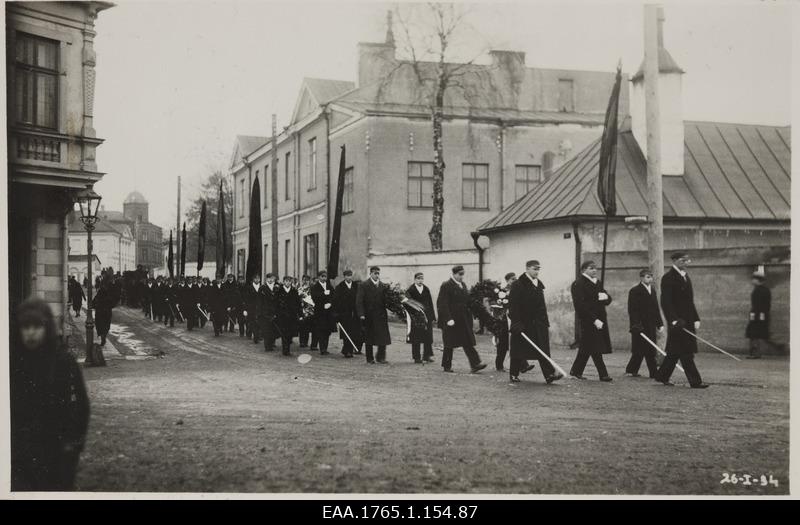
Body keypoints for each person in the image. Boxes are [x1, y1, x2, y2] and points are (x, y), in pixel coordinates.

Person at [10, 298, 90, 491]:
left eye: (37, 326)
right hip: (20, 452)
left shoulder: (63, 361)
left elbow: (79, 405)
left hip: (56, 450)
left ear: (47, 328)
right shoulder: (12, 362)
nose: (31, 333)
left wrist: (73, 442)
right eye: (25, 326)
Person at [655, 252, 709, 388]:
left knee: (674, 352)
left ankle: (662, 376)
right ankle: (695, 382)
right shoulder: (668, 278)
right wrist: (673, 320)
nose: (686, 262)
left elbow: (690, 301)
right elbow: (666, 302)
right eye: (683, 260)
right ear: (674, 261)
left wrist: (696, 318)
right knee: (686, 353)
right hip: (677, 322)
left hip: (688, 321)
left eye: (687, 260)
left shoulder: (686, 277)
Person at [507, 261, 562, 384]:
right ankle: (513, 374)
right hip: (523, 324)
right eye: (534, 269)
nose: (537, 271)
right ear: (527, 269)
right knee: (518, 350)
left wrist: (544, 322)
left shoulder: (538, 285)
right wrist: (516, 323)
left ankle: (549, 375)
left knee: (542, 349)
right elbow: (513, 306)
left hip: (538, 324)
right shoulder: (518, 284)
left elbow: (542, 306)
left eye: (538, 269)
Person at [436, 266, 488, 374]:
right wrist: (448, 318)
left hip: (463, 319)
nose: (461, 276)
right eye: (459, 274)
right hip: (451, 320)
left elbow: (467, 300)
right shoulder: (446, 285)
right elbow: (442, 303)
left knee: (467, 342)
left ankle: (475, 364)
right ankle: (446, 365)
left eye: (462, 274)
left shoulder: (463, 285)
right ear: (454, 274)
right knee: (449, 343)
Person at [569, 261, 613, 382]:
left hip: (600, 319)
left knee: (587, 346)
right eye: (591, 268)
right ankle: (603, 374)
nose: (594, 270)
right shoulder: (578, 284)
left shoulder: (597, 282)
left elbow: (607, 299)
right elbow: (580, 305)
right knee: (595, 346)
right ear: (584, 270)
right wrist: (593, 320)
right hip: (588, 320)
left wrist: (605, 297)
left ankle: (576, 371)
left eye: (595, 268)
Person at [625, 269, 664, 378]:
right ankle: (650, 372)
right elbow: (632, 310)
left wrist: (659, 323)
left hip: (650, 325)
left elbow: (656, 308)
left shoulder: (652, 290)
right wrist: (636, 324)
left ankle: (634, 370)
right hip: (639, 326)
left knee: (649, 349)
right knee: (639, 349)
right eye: (647, 277)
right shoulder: (635, 291)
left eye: (651, 277)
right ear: (641, 278)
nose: (650, 279)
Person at [356, 266, 392, 364]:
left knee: (383, 337)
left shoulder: (383, 286)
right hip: (369, 315)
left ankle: (381, 357)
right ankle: (370, 358)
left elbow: (386, 300)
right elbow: (359, 301)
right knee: (369, 337)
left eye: (378, 273)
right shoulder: (364, 285)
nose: (377, 275)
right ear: (370, 274)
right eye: (375, 273)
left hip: (381, 315)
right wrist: (361, 314)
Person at [405, 272, 436, 364]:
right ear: (415, 279)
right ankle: (416, 357)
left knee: (428, 337)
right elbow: (408, 303)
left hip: (426, 317)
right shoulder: (411, 290)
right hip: (416, 317)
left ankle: (427, 356)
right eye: (418, 278)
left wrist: (432, 316)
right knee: (416, 337)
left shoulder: (426, 289)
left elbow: (430, 303)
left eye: (422, 278)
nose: (420, 280)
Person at [334, 270, 363, 358]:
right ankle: (347, 351)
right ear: (344, 277)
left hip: (354, 313)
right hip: (344, 314)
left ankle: (348, 349)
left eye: (350, 275)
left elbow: (359, 298)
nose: (349, 277)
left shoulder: (356, 286)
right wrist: (336, 313)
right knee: (346, 332)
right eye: (347, 276)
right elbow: (336, 301)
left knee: (354, 332)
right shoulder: (340, 287)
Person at [310, 270, 336, 356]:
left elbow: (333, 295)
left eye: (325, 276)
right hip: (320, 312)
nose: (324, 278)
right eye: (322, 276)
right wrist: (323, 296)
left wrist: (330, 303)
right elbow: (314, 298)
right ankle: (322, 348)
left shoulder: (329, 286)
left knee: (328, 330)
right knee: (321, 330)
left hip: (328, 312)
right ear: (318, 277)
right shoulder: (315, 287)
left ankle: (325, 347)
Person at [746, 271, 771, 359]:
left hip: (758, 315)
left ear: (758, 280)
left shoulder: (760, 290)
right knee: (754, 334)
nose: (752, 281)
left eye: (754, 279)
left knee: (754, 334)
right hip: (759, 315)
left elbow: (761, 305)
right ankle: (754, 353)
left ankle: (755, 353)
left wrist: (756, 315)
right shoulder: (763, 290)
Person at [494, 272, 516, 371]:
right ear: (507, 280)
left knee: (516, 342)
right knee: (503, 343)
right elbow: (496, 306)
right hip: (503, 320)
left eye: (515, 279)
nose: (515, 281)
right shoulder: (502, 291)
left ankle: (523, 365)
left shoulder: (517, 290)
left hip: (513, 319)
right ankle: (499, 365)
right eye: (513, 279)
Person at [276, 275, 302, 355]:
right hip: (282, 315)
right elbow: (275, 303)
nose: (288, 283)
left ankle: (288, 347)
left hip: (292, 315)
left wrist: (300, 314)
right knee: (284, 332)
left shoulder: (294, 291)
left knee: (290, 332)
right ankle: (285, 349)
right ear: (283, 282)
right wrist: (276, 313)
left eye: (289, 281)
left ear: (291, 282)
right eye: (286, 281)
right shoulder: (279, 291)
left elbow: (298, 303)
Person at [92, 279, 116, 347]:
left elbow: (93, 304)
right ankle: (104, 337)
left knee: (100, 326)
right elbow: (113, 304)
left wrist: (96, 306)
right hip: (107, 313)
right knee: (106, 326)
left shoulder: (98, 296)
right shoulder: (109, 295)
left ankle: (103, 338)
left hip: (100, 313)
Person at [259, 273, 280, 352]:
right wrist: (260, 312)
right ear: (266, 279)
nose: (270, 280)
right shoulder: (262, 288)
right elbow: (259, 301)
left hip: (274, 311)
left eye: (272, 278)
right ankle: (267, 346)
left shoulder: (277, 288)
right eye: (269, 279)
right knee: (266, 329)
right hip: (265, 312)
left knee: (273, 329)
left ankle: (272, 343)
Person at [298, 275, 316, 350]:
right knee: (302, 327)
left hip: (311, 311)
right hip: (302, 310)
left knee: (311, 327)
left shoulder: (312, 289)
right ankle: (302, 342)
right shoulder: (299, 289)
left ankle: (312, 343)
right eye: (304, 280)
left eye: (307, 280)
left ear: (309, 281)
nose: (305, 281)